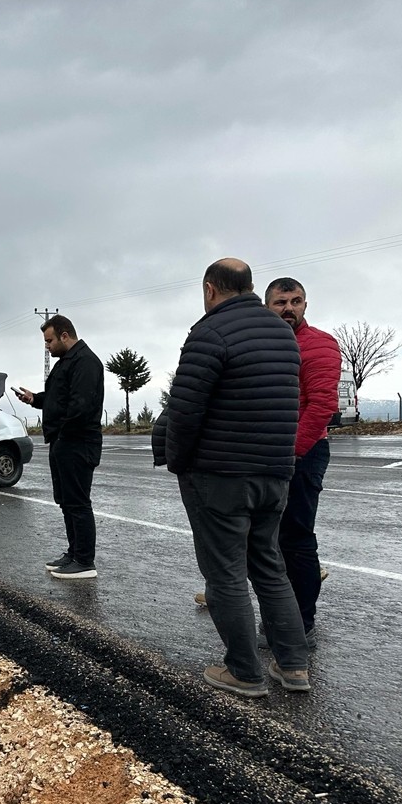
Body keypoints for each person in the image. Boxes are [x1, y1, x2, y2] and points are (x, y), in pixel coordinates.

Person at [165, 258, 310, 697]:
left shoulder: (209, 332)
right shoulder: (283, 334)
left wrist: (177, 461)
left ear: (210, 289)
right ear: (249, 287)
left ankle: (244, 672)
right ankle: (293, 666)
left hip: (222, 474)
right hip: (275, 472)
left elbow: (184, 410)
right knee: (270, 567)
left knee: (225, 573)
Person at [263, 277, 341, 646]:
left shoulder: (319, 344)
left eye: (295, 301)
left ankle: (301, 625)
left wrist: (291, 452)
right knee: (267, 540)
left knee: (295, 537)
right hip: (264, 454)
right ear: (267, 307)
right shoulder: (262, 344)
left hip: (302, 454)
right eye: (281, 303)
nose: (289, 309)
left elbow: (321, 406)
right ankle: (279, 617)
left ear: (305, 306)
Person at [15, 315, 104, 579]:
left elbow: (80, 407)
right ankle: (74, 554)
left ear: (65, 336)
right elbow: (58, 399)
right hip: (64, 442)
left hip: (78, 443)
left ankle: (85, 562)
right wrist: (34, 399)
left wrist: (63, 435)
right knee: (66, 501)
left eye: (49, 341)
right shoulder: (66, 362)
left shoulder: (86, 362)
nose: (47, 346)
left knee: (78, 502)